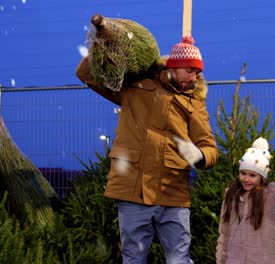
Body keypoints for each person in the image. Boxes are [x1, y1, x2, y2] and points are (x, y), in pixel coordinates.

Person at [76, 36, 219, 264]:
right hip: (133, 190)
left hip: (173, 193)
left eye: (197, 73)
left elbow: (210, 148)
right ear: (174, 66)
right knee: (133, 259)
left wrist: (200, 156)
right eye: (190, 71)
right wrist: (98, 44)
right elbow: (87, 75)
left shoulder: (194, 103)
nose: (195, 77)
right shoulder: (135, 87)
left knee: (179, 260)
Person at [216, 137, 275, 264]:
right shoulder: (232, 196)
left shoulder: (271, 198)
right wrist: (221, 260)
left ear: (262, 177)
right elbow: (224, 234)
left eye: (252, 175)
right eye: (243, 173)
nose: (246, 179)